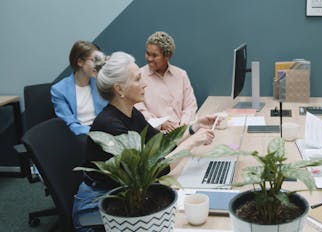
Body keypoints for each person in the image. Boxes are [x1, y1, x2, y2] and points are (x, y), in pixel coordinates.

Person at [72, 52, 216, 231]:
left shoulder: (131, 113)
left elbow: (161, 144)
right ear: (120, 89)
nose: (144, 84)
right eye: (138, 79)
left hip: (124, 196)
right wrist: (191, 143)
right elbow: (152, 170)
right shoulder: (110, 125)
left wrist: (194, 127)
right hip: (97, 207)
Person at [135, 31, 198, 133]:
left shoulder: (181, 75)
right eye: (147, 53)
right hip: (156, 135)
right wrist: (161, 125)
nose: (149, 59)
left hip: (182, 131)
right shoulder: (138, 76)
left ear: (167, 56)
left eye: (155, 55)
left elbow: (190, 106)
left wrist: (182, 127)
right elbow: (139, 110)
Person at [51, 41, 108, 135]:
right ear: (80, 62)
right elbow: (70, 123)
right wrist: (95, 134)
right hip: (80, 134)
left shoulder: (101, 82)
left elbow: (110, 111)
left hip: (103, 129)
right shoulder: (59, 90)